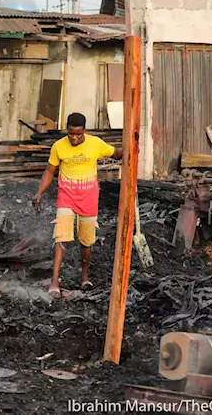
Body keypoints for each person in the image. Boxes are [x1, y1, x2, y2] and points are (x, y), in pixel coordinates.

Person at [32, 113, 123, 298]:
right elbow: (49, 172)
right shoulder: (59, 146)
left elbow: (116, 153)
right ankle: (55, 280)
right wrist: (39, 192)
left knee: (86, 240)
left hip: (88, 197)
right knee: (61, 236)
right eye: (71, 133)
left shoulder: (96, 144)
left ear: (84, 131)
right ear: (67, 129)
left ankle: (85, 276)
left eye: (78, 134)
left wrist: (131, 147)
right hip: (66, 196)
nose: (74, 137)